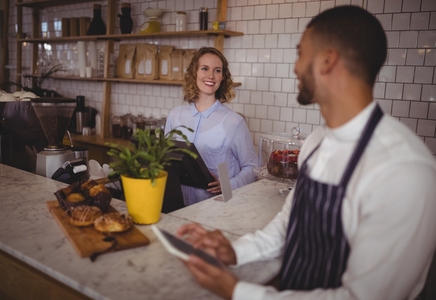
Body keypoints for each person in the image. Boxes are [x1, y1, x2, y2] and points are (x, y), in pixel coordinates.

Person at [177, 6, 436, 300]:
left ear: (327, 61)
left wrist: (236, 291)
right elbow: (289, 225)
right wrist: (234, 251)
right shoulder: (315, 143)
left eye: (301, 54)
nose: (296, 67)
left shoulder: (404, 169)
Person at [165, 47, 257, 206]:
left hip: (218, 209)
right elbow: (165, 161)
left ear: (223, 77)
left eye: (217, 70)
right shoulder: (175, 115)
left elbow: (252, 167)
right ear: (194, 73)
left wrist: (227, 185)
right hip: (177, 206)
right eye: (204, 68)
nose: (210, 76)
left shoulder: (233, 122)